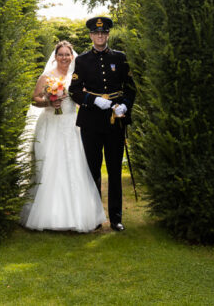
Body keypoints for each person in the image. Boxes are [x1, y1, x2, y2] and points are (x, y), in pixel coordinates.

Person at [20, 40, 107, 232]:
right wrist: (49, 103)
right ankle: (48, 215)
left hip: (70, 124)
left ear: (72, 56)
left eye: (68, 54)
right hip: (50, 124)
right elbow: (34, 98)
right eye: (61, 54)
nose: (65, 58)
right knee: (50, 165)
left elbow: (83, 97)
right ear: (55, 56)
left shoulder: (77, 76)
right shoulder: (46, 76)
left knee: (73, 165)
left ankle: (77, 215)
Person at [69, 16, 136, 231]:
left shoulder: (121, 57)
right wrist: (93, 100)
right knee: (93, 169)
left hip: (115, 120)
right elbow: (74, 91)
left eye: (104, 33)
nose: (100, 36)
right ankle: (96, 216)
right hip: (91, 121)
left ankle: (116, 217)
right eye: (96, 33)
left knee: (115, 169)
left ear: (108, 35)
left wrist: (125, 105)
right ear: (90, 35)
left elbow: (130, 87)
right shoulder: (82, 61)